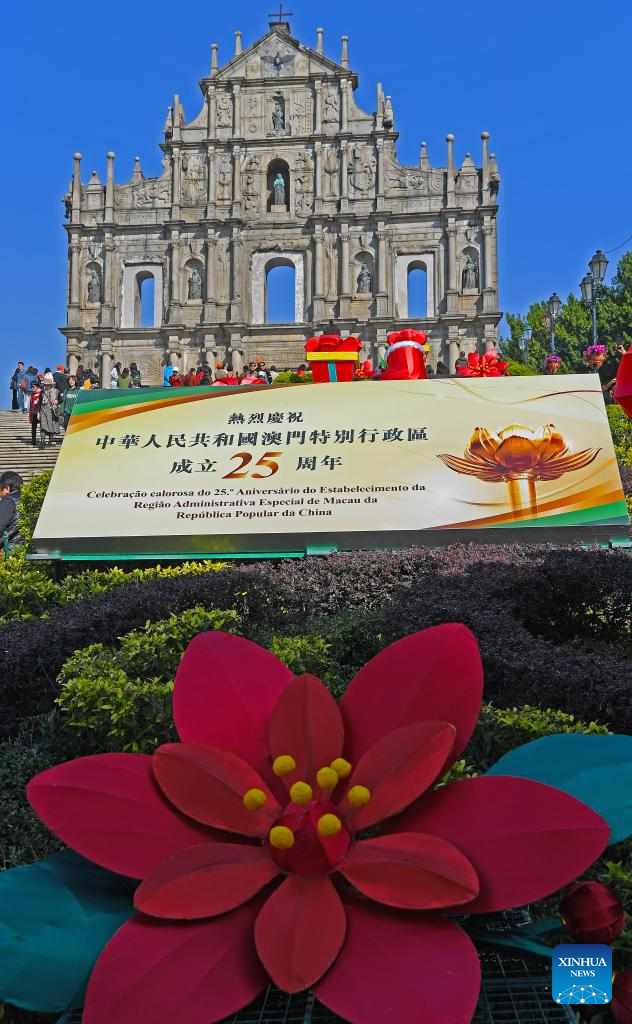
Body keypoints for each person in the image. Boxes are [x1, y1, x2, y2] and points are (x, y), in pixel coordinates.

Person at [0, 471, 24, 557]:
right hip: (23, 547)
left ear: (7, 488)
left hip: (10, 549)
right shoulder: (27, 499)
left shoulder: (8, 501)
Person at [38, 373, 60, 446]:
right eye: (45, 384)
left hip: (51, 411)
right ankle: (43, 441)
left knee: (51, 425)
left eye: (47, 384)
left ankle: (50, 440)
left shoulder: (56, 391)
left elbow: (61, 399)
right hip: (43, 410)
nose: (46, 386)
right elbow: (39, 402)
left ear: (51, 384)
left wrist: (57, 401)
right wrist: (38, 412)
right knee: (43, 425)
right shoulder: (42, 392)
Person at [29, 374, 44, 446]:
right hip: (34, 412)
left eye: (33, 387)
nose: (32, 388)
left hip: (41, 412)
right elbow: (31, 404)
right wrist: (30, 415)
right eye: (32, 387)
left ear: (37, 386)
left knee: (42, 427)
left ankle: (42, 440)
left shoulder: (42, 393)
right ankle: (33, 441)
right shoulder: (32, 394)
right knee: (33, 427)